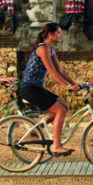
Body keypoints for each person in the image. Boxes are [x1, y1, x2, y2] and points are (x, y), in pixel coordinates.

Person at [18, 22, 80, 156]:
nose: (61, 35)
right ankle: (56, 146)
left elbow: (60, 70)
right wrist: (67, 86)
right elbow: (51, 71)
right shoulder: (42, 48)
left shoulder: (51, 49)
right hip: (30, 89)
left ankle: (37, 128)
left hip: (36, 88)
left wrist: (75, 84)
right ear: (51, 34)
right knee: (60, 111)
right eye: (58, 33)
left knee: (65, 106)